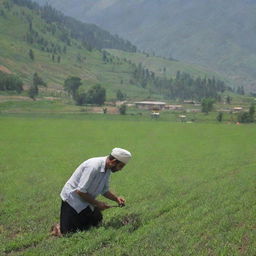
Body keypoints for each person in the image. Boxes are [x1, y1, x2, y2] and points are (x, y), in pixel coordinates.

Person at [58, 147, 132, 235]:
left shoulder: (108, 169)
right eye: (120, 166)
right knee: (68, 233)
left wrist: (116, 199)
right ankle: (60, 227)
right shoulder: (93, 166)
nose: (120, 169)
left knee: (96, 220)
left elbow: (104, 190)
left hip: (86, 200)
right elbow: (80, 191)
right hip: (72, 200)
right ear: (113, 161)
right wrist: (98, 203)